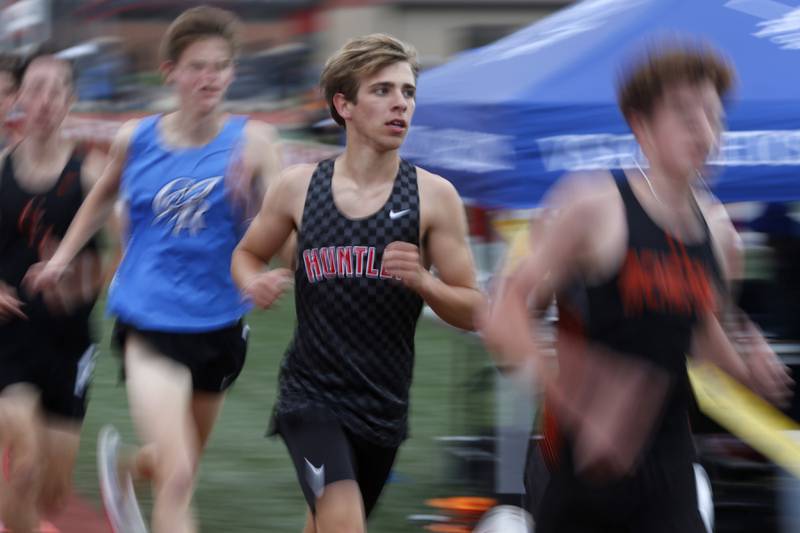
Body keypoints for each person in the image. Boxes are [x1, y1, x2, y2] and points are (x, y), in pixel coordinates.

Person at [481, 42, 793, 533]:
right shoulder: (593, 205)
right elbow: (504, 311)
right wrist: (575, 394)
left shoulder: (719, 232)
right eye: (686, 116)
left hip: (668, 471)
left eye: (714, 116)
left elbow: (698, 330)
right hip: (580, 468)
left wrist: (749, 357)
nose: (706, 131)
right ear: (641, 125)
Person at [27, 6, 283, 533]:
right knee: (180, 473)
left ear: (232, 72)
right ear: (170, 72)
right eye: (197, 67)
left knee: (176, 462)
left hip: (219, 326)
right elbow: (99, 200)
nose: (209, 78)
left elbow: (283, 228)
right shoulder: (135, 138)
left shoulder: (256, 144)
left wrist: (257, 210)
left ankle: (127, 470)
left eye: (220, 66)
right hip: (149, 321)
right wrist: (59, 259)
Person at [231, 33, 483, 532]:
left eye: (408, 92)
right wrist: (252, 282)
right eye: (383, 90)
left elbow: (475, 310)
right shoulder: (299, 188)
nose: (400, 104)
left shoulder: (435, 197)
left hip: (384, 407)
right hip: (310, 397)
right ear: (343, 104)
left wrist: (426, 284)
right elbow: (247, 253)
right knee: (343, 522)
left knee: (327, 521)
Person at [0, 50, 105, 533]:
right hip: (8, 340)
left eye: (55, 90)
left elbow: (133, 241)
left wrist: (92, 277)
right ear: (20, 96)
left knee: (52, 489)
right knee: (23, 461)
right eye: (35, 88)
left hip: (69, 344)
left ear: (70, 100)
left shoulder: (91, 173)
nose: (43, 100)